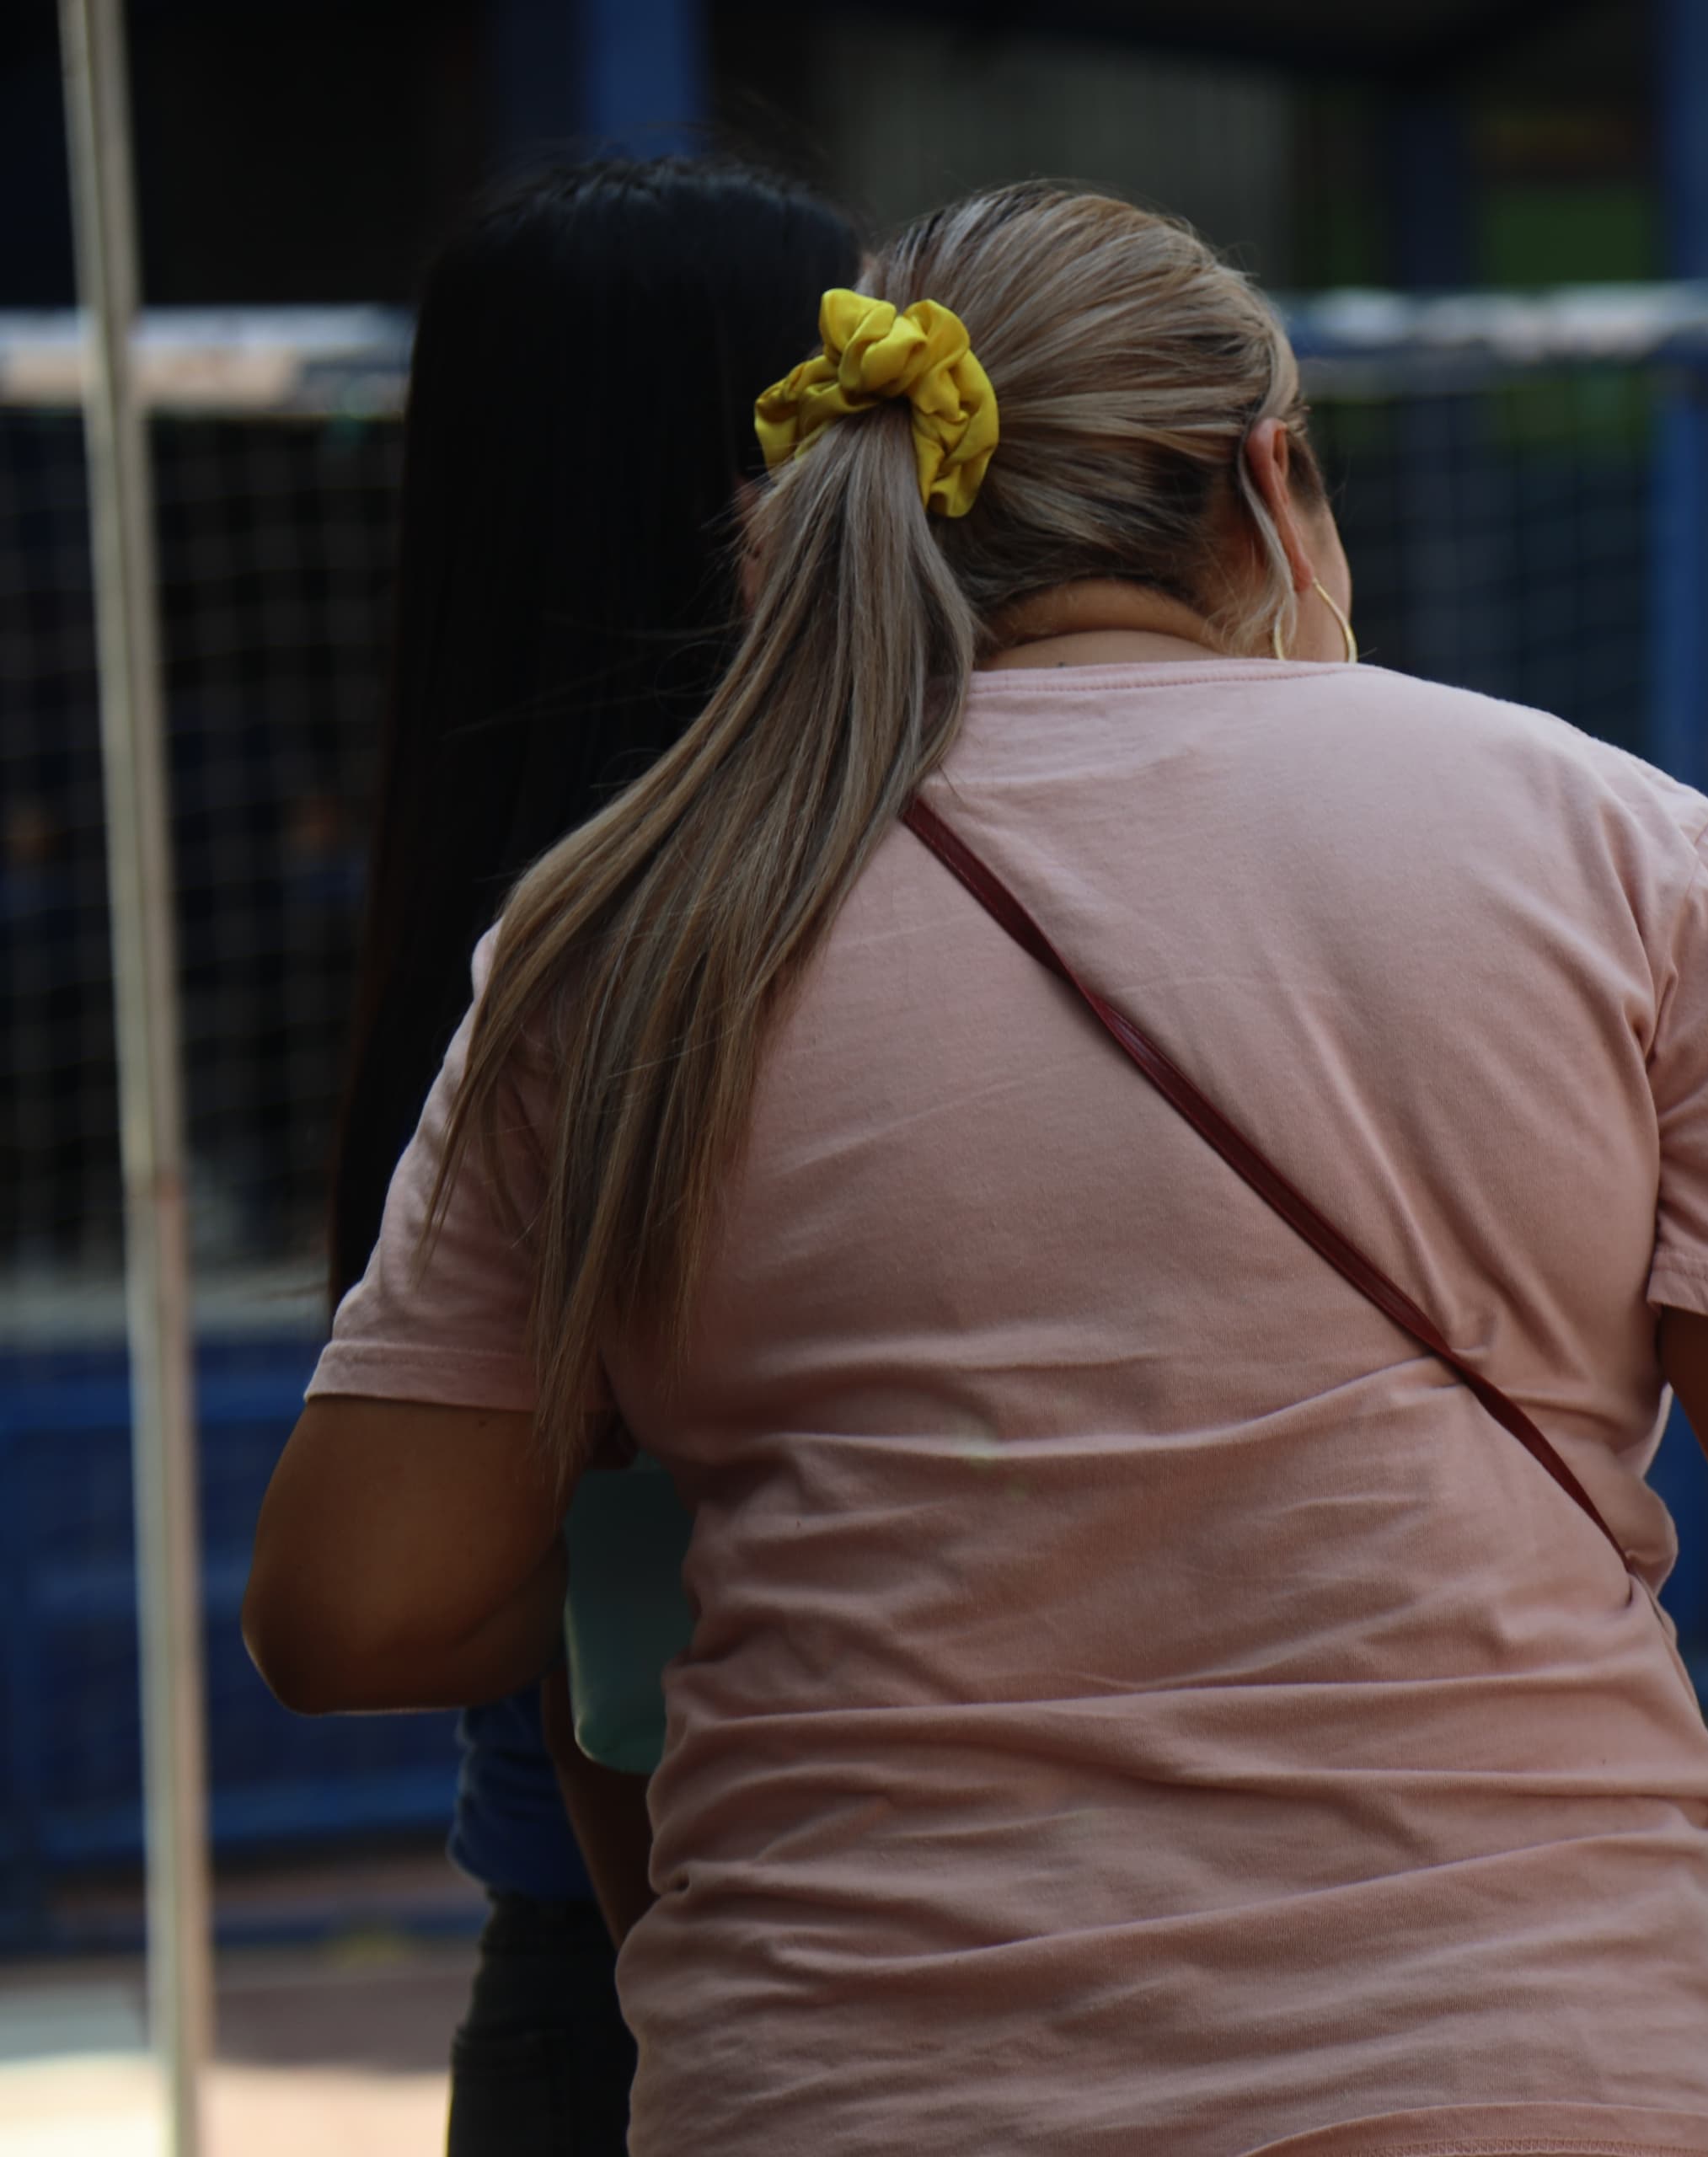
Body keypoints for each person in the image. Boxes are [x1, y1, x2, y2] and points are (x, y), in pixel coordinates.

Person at [249, 182, 1708, 2157]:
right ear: (1268, 478)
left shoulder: (630, 923)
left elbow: (351, 1608)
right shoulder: (1628, 851)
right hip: (1524, 2069)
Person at [318, 159, 867, 2157]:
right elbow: (532, 1609)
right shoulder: (641, 952)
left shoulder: (509, 906)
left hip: (631, 1977)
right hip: (721, 1974)